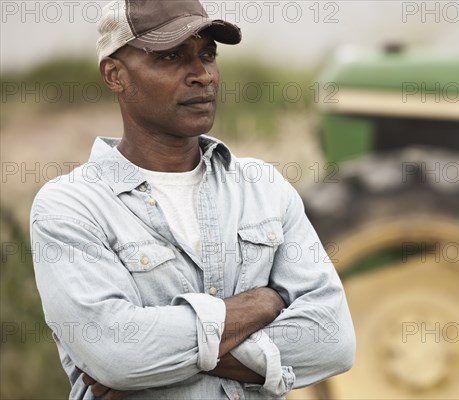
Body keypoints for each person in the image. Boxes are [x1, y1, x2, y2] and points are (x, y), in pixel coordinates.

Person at [29, 0, 355, 399]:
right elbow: (118, 354)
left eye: (208, 55)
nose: (202, 75)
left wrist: (159, 360)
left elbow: (333, 340)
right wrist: (263, 304)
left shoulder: (264, 187)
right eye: (171, 57)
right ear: (115, 75)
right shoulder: (71, 207)